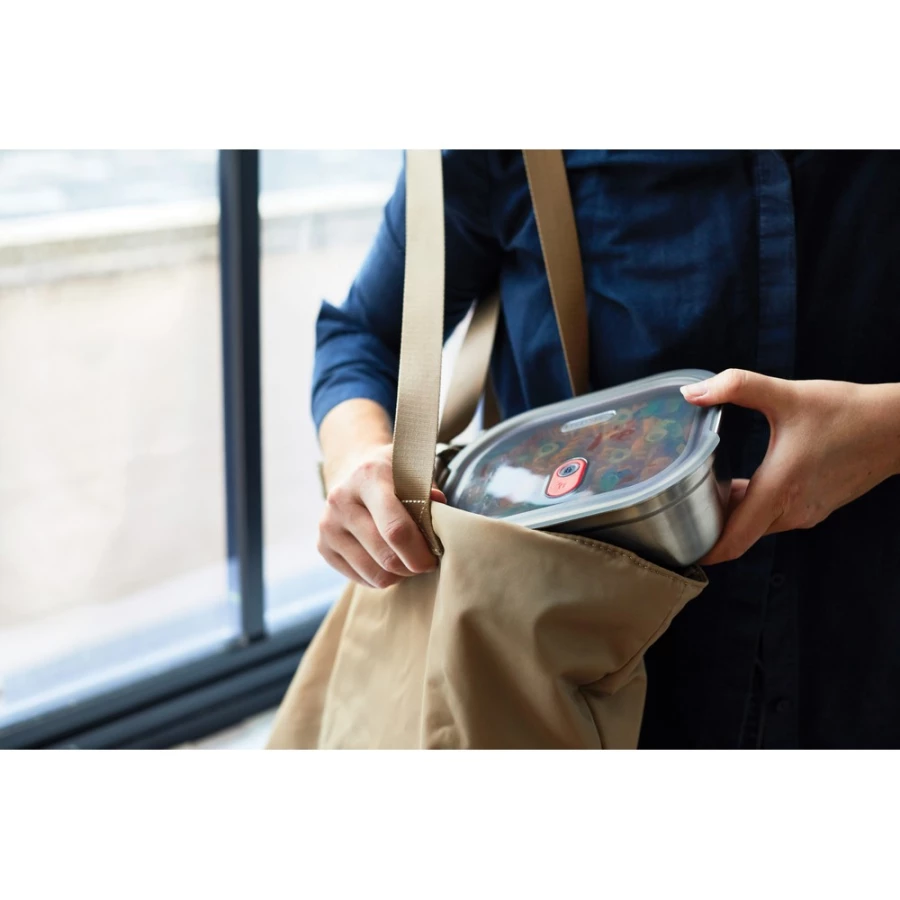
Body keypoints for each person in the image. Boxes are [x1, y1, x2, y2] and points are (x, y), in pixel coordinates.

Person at [311, 150, 900, 749]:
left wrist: (888, 429)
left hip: (866, 660)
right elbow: (362, 336)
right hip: (569, 685)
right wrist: (359, 456)